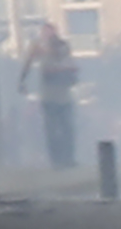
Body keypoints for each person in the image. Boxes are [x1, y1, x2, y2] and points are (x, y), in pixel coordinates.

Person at [20, 22, 78, 169]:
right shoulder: (38, 47)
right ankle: (56, 161)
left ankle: (68, 159)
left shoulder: (62, 46)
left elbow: (68, 64)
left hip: (64, 96)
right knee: (52, 130)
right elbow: (28, 62)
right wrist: (22, 80)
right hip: (49, 96)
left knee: (67, 128)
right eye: (46, 32)